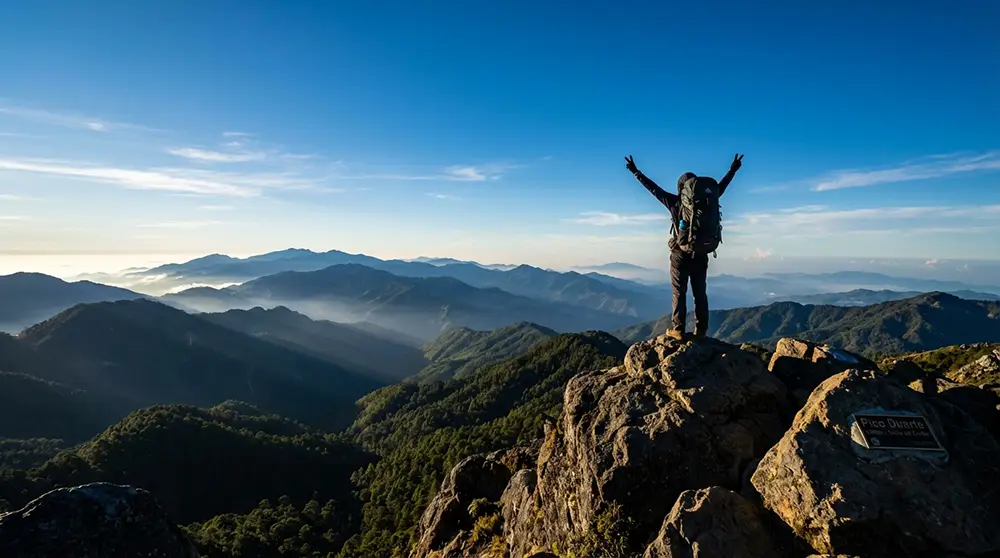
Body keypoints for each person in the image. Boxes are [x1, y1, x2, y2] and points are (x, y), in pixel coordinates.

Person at [625, 153, 743, 339]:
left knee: (679, 292)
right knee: (700, 294)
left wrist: (635, 172)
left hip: (680, 254)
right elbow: (722, 187)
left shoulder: (674, 202)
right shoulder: (707, 201)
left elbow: (653, 189)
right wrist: (733, 169)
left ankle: (678, 329)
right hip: (701, 252)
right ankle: (701, 330)